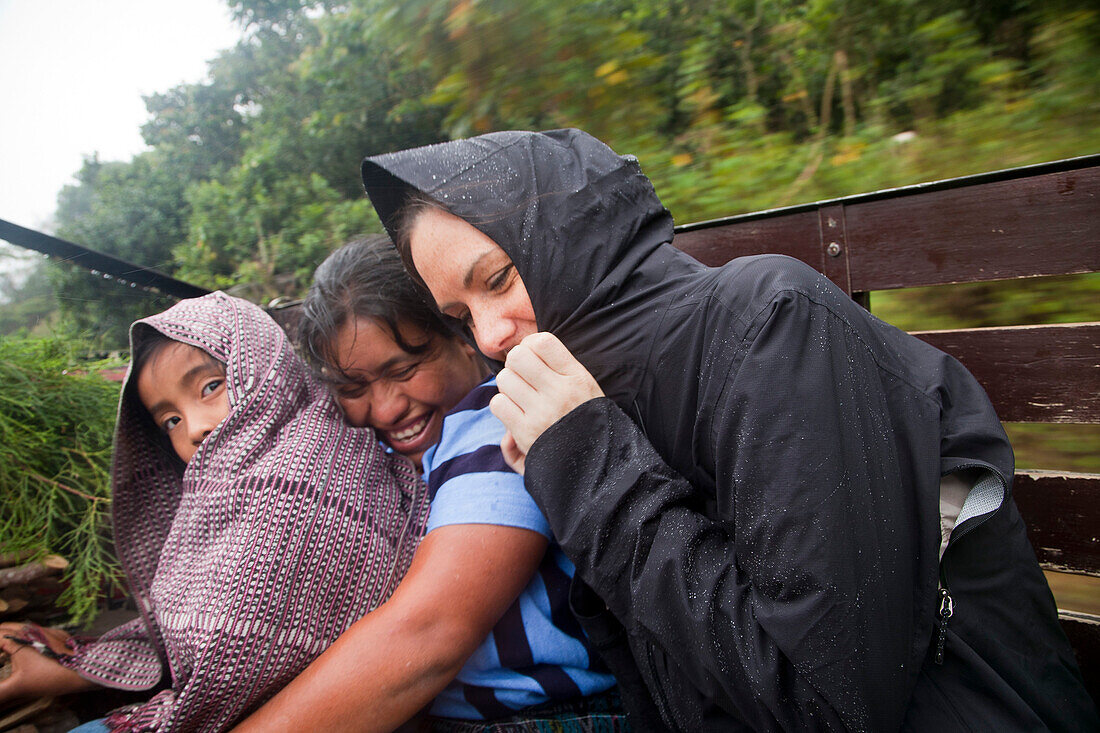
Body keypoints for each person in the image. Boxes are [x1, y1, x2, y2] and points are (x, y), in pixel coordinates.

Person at [359, 128, 1099, 731]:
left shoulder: (770, 322)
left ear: (571, 240)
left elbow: (827, 706)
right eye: (460, 318)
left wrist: (588, 471)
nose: (490, 335)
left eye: (497, 279)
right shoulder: (598, 402)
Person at [233, 236, 626, 731]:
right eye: (352, 388)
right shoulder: (383, 452)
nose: (385, 408)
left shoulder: (499, 422)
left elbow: (430, 633)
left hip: (550, 716)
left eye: (403, 369)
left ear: (465, 337)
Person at [0, 291, 427, 731]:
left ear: (263, 367)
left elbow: (229, 648)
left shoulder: (308, 476)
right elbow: (189, 629)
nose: (196, 427)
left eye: (209, 387)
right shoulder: (217, 496)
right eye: (170, 420)